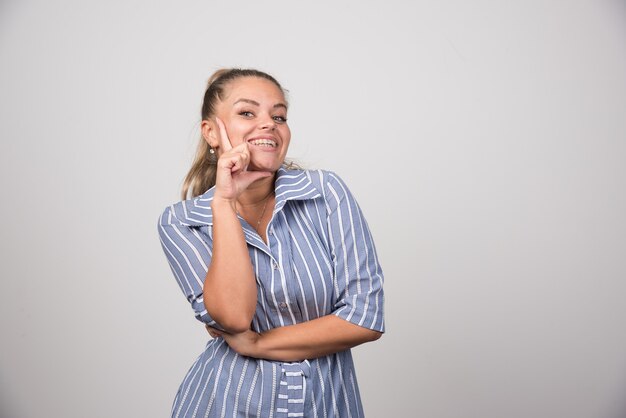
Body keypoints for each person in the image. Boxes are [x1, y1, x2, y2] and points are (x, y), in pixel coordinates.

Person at [158, 68, 385, 418]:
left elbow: (364, 317)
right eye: (247, 112)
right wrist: (223, 201)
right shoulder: (181, 222)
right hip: (226, 402)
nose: (269, 124)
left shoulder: (325, 194)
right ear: (211, 132)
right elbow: (234, 316)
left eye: (279, 116)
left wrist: (257, 343)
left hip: (325, 404)